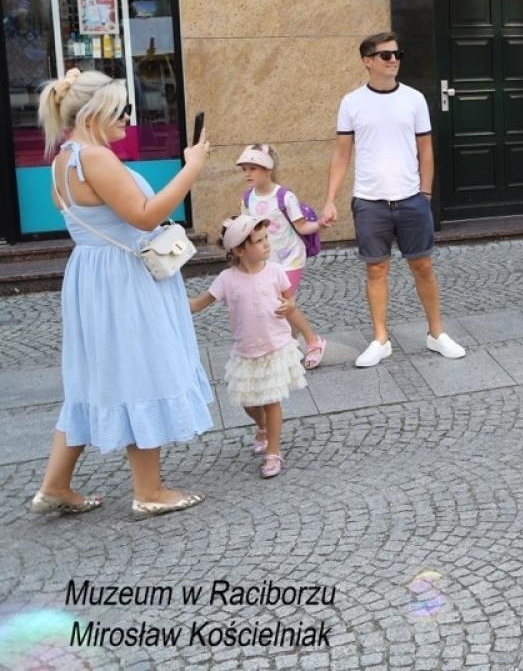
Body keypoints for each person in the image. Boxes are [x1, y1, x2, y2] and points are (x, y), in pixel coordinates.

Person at [28, 69, 213, 519]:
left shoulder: (63, 159)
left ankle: (55, 485)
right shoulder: (96, 158)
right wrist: (191, 169)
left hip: (93, 275)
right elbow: (144, 216)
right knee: (139, 371)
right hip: (123, 279)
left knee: (93, 378)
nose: (128, 118)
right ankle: (149, 490)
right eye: (121, 109)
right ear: (93, 113)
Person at [320, 32, 465, 368]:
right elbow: (342, 154)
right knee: (376, 269)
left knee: (423, 266)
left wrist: (425, 194)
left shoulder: (414, 99)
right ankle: (380, 339)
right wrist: (330, 199)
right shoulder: (351, 102)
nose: (394, 60)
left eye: (398, 54)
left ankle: (436, 333)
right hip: (369, 201)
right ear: (367, 61)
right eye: (386, 55)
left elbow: (425, 150)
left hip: (411, 198)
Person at [189, 216, 307, 479]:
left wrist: (289, 306)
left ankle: (273, 452)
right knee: (249, 402)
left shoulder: (275, 271)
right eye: (259, 241)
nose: (267, 244)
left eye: (266, 238)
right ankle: (262, 426)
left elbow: (290, 301)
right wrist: (170, 301)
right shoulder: (227, 279)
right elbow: (198, 304)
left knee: (272, 401)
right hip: (246, 350)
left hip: (274, 347)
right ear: (239, 250)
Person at [238, 143, 326, 368]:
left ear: (268, 170)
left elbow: (302, 226)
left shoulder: (285, 197)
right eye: (245, 169)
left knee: (281, 302)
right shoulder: (247, 198)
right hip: (268, 261)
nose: (247, 174)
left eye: (253, 168)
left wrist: (320, 224)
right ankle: (290, 346)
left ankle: (313, 342)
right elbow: (247, 230)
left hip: (291, 258)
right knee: (281, 305)